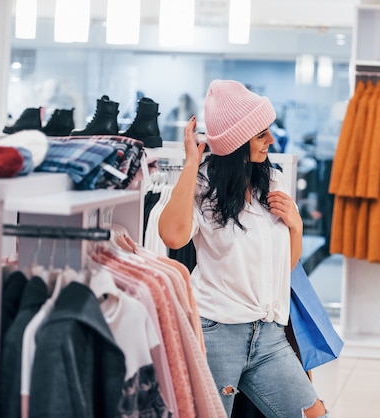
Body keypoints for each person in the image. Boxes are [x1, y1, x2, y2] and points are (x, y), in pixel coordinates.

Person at [158, 80, 328, 418]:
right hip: (217, 333)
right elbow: (172, 237)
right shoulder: (203, 186)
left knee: (314, 415)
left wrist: (295, 224)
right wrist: (191, 163)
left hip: (268, 336)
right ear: (236, 141)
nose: (271, 140)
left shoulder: (272, 181)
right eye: (261, 133)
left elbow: (286, 267)